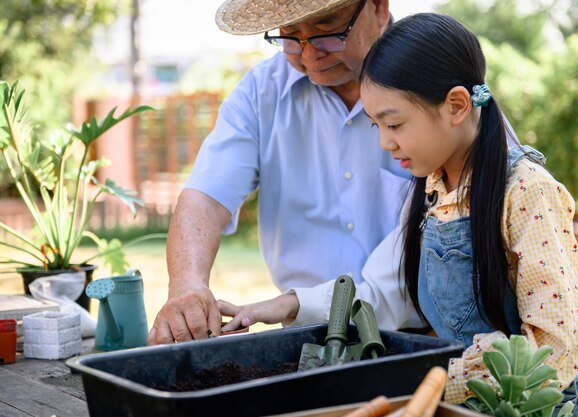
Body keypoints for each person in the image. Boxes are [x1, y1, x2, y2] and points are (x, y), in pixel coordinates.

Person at [358, 13, 578, 416]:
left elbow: (556, 347)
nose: (386, 142)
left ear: (456, 105)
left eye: (395, 123)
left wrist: (440, 385)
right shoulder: (433, 188)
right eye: (376, 127)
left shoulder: (527, 193)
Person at [148, 0, 424, 345]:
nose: (309, 55)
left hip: (421, 338)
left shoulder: (433, 80)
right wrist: (188, 287)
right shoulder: (261, 93)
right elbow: (206, 197)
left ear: (378, 8)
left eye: (327, 31)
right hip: (306, 335)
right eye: (290, 36)